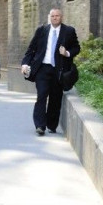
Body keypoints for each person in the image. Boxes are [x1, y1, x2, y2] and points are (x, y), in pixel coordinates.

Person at [21, 7, 80, 136]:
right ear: (49, 17)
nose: (55, 18)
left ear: (61, 17)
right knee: (41, 96)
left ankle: (52, 125)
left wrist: (67, 53)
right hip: (43, 68)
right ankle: (40, 126)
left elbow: (76, 48)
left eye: (57, 16)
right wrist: (25, 64)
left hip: (59, 70)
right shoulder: (42, 30)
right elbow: (31, 49)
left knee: (55, 98)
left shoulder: (69, 31)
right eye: (52, 16)